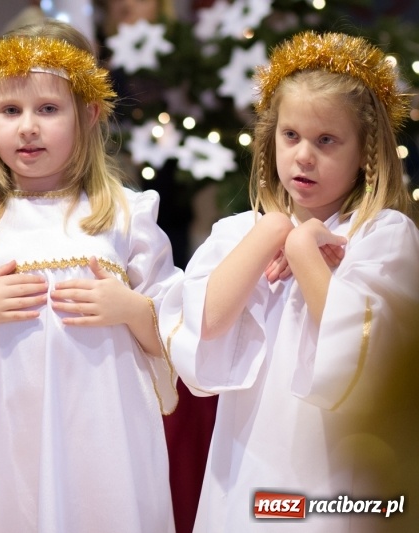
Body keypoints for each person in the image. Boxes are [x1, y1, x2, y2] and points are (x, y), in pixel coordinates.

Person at [0, 20, 181, 533]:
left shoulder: (126, 216)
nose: (27, 127)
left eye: (48, 109)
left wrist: (134, 310)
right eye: (10, 110)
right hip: (9, 438)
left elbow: (179, 324)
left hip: (105, 435)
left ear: (89, 114)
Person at [159, 31, 419, 532]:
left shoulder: (381, 235)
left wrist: (303, 253)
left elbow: (361, 350)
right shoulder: (238, 233)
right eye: (291, 136)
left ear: (364, 151)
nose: (304, 156)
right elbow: (207, 325)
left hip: (332, 469)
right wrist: (277, 229)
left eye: (327, 141)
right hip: (246, 462)